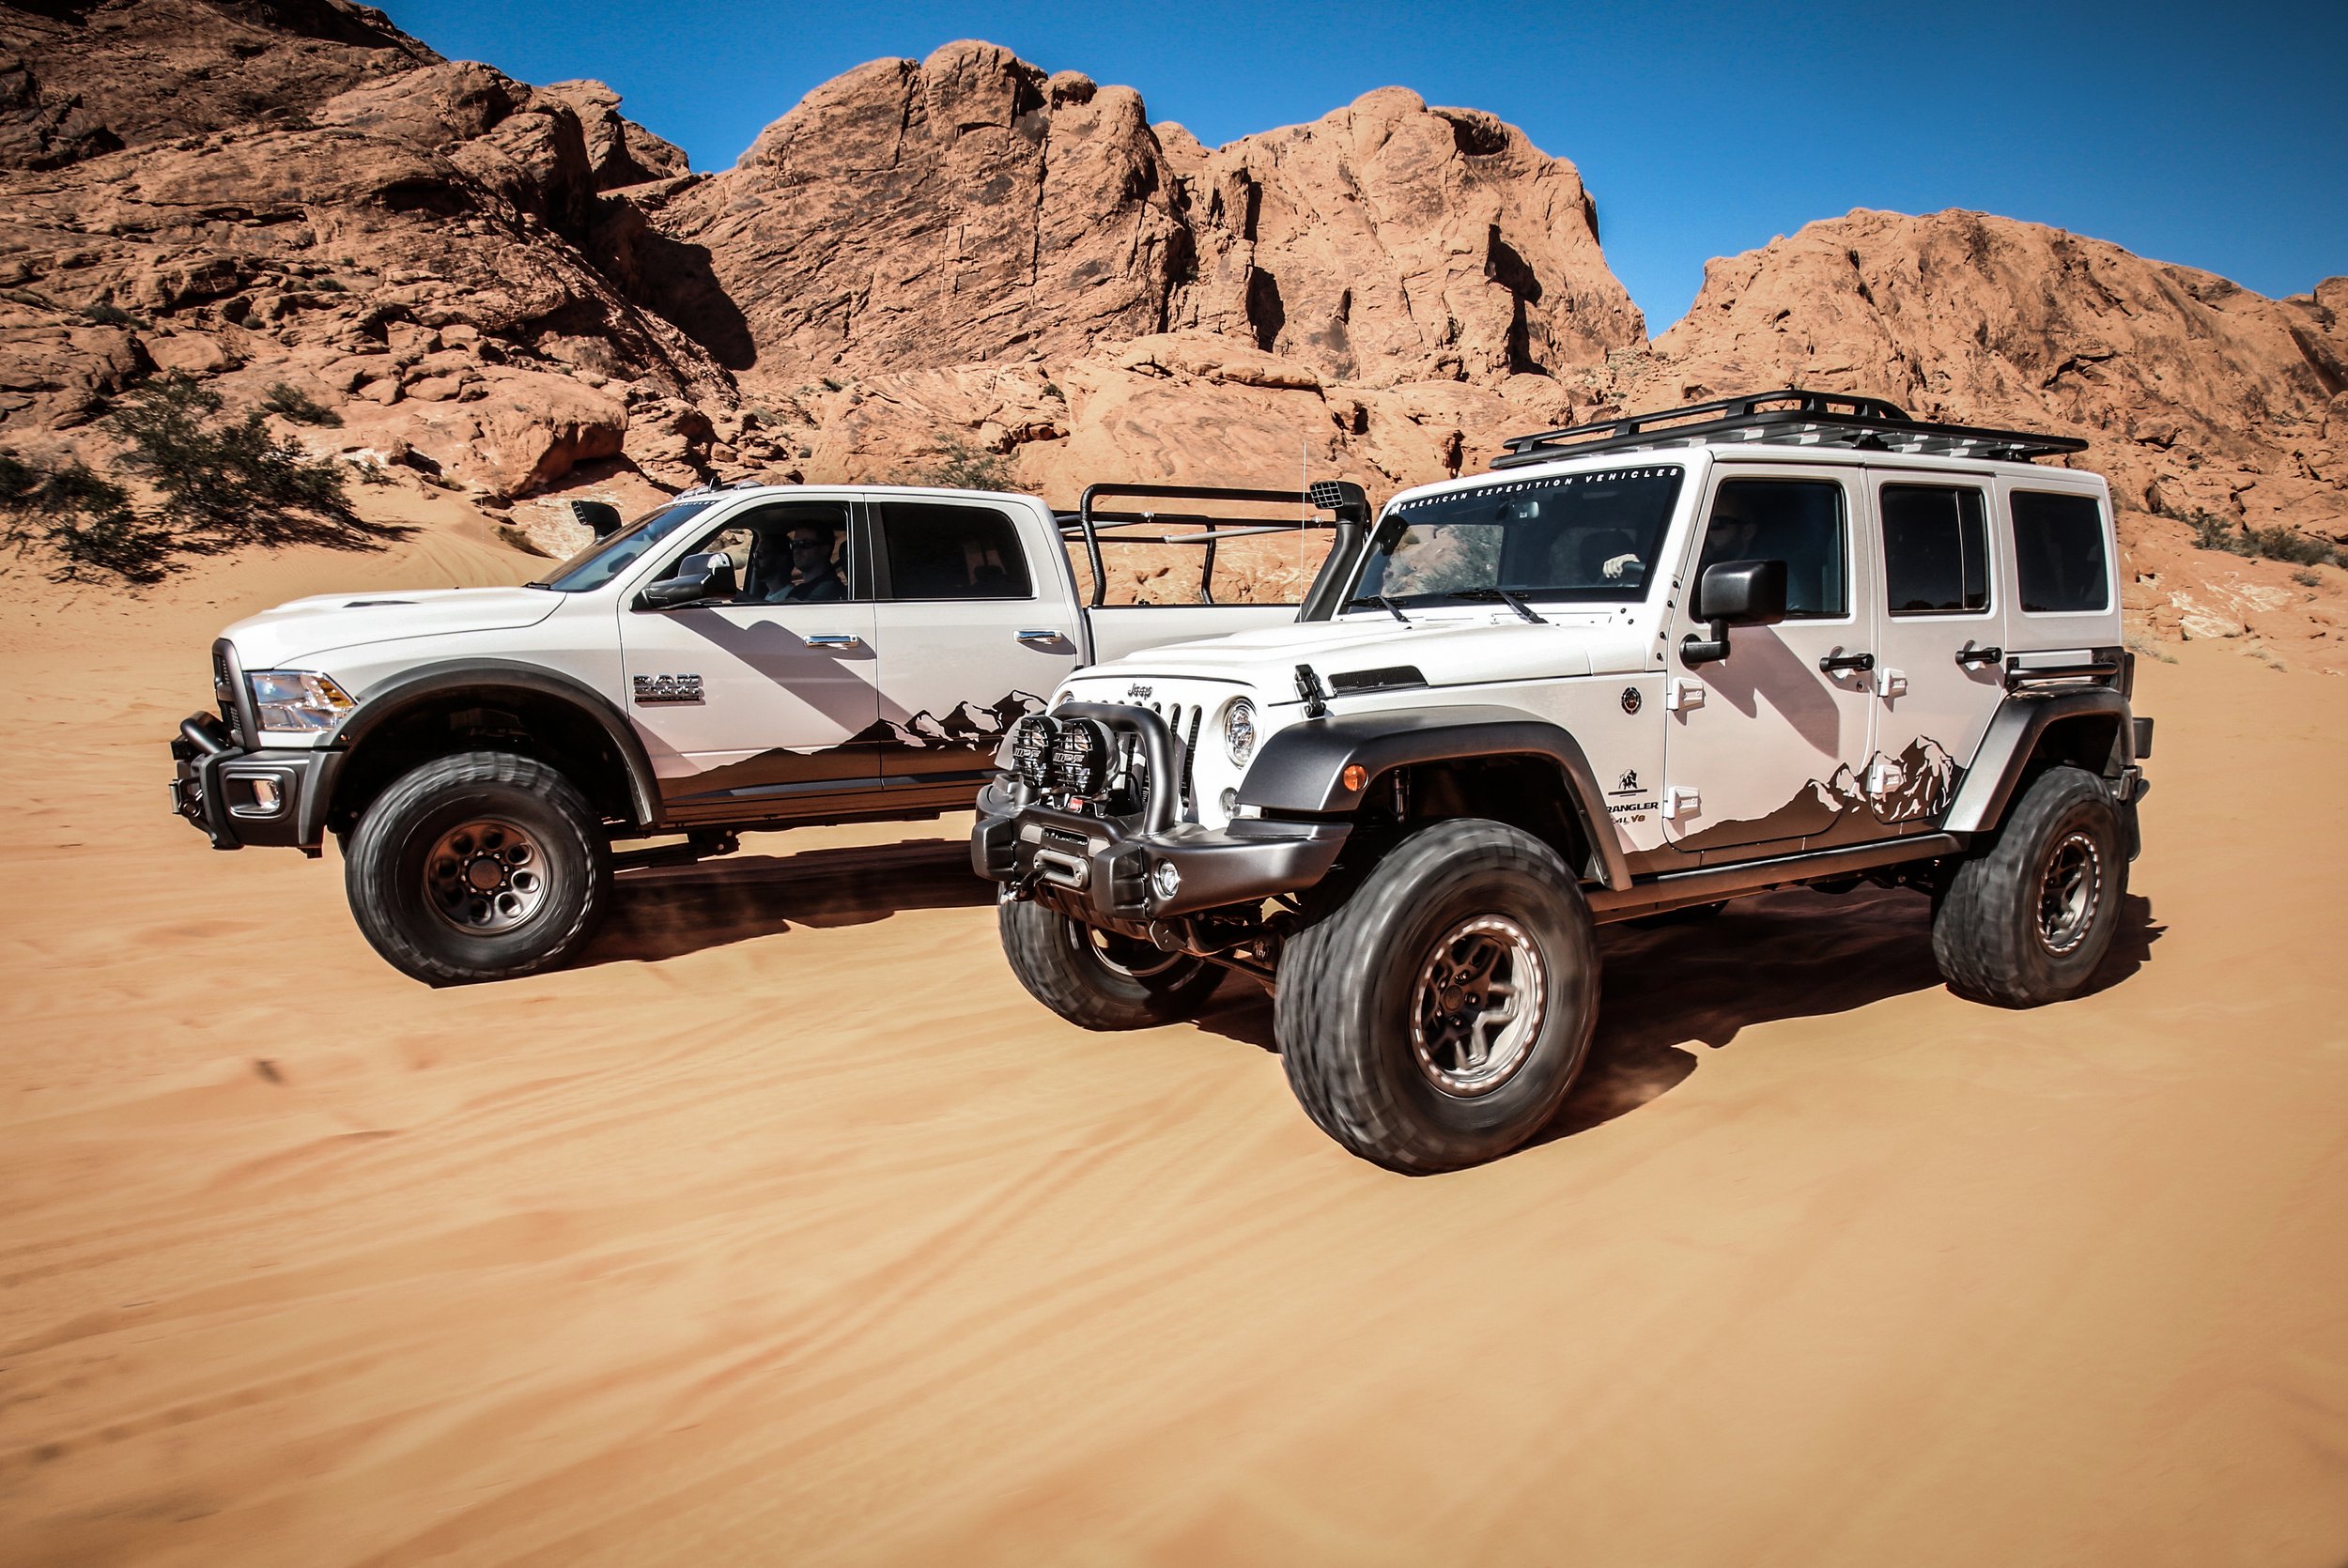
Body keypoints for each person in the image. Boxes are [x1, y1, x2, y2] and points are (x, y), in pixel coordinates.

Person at [775, 521, 846, 602]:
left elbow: (785, 611)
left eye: (806, 544)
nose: (797, 550)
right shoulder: (803, 588)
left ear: (825, 549)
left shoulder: (827, 589)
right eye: (794, 544)